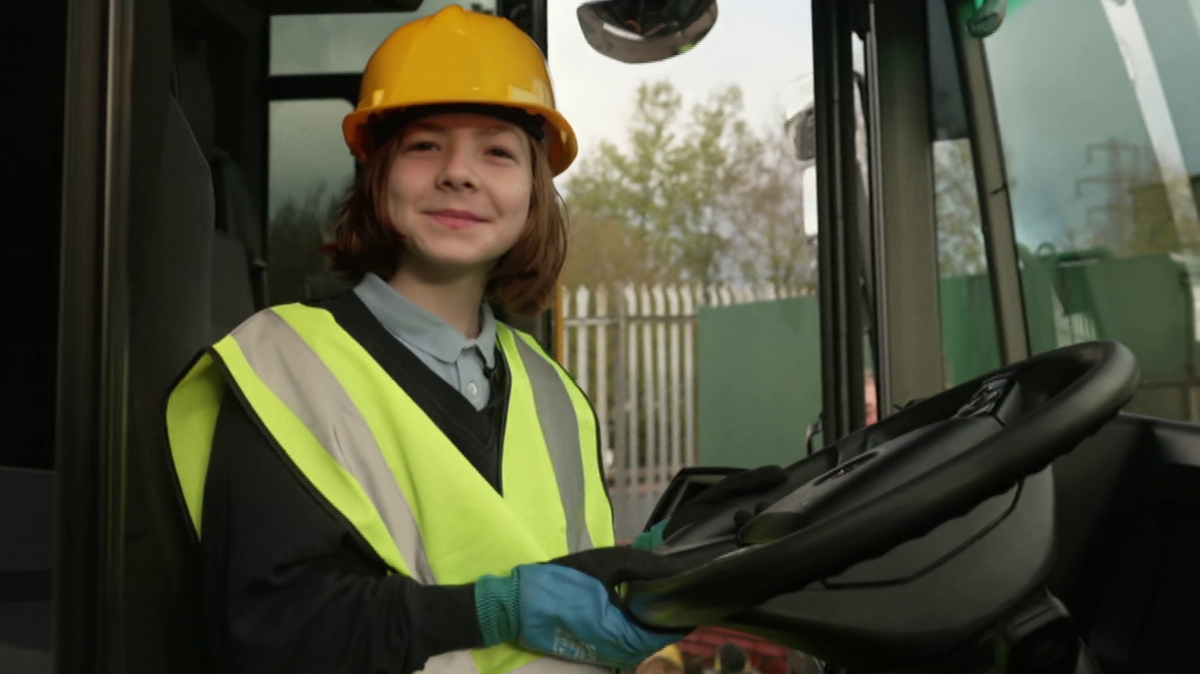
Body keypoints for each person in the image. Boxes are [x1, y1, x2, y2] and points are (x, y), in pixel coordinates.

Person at [163, 7, 694, 674]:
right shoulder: (281, 367)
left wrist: (652, 582)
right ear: (377, 174)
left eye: (496, 150)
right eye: (424, 146)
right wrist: (488, 610)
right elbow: (273, 631)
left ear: (535, 189)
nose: (459, 173)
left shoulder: (557, 394)